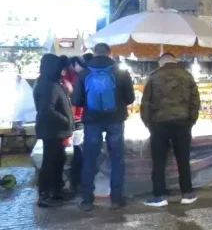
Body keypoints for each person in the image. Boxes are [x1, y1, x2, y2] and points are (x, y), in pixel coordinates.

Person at [71, 43, 135, 211]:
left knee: (90, 158)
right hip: (115, 120)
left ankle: (87, 200)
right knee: (117, 159)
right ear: (109, 53)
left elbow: (76, 100)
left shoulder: (84, 73)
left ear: (94, 53)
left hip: (92, 121)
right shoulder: (120, 72)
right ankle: (116, 199)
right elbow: (130, 98)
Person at [140, 53, 201, 207]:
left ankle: (159, 196)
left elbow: (145, 103)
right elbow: (195, 102)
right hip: (182, 123)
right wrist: (190, 122)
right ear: (175, 61)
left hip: (159, 124)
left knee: (159, 161)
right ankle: (187, 193)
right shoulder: (187, 76)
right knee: (183, 159)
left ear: (161, 63)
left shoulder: (153, 77)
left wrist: (149, 124)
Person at [33, 54, 74, 208]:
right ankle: (45, 195)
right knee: (49, 162)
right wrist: (66, 120)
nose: (62, 70)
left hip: (56, 130)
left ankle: (57, 190)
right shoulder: (47, 84)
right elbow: (46, 110)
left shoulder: (51, 81)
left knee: (58, 160)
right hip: (52, 130)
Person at [61, 56, 86, 193]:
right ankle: (76, 181)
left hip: (75, 118)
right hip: (74, 118)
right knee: (77, 151)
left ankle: (75, 181)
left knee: (77, 151)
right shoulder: (68, 79)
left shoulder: (71, 77)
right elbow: (73, 94)